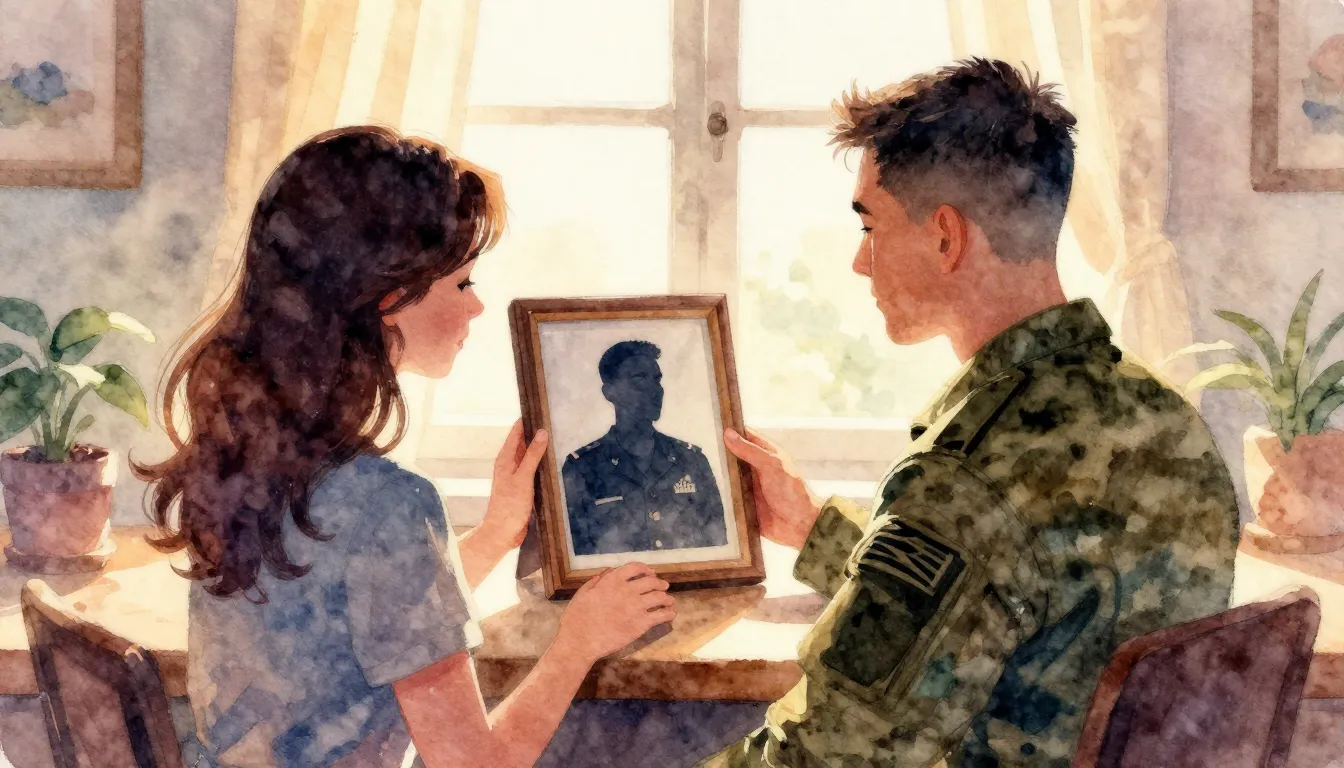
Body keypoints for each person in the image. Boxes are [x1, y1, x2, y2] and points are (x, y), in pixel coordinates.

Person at [700, 59, 1240, 767]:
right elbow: (1004, 600)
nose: (861, 262)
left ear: (946, 237)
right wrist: (813, 530)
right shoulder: (1163, 418)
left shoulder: (967, 478)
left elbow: (823, 757)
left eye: (870, 225)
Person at [134, 126, 675, 768]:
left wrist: (495, 534)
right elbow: (474, 767)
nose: (477, 308)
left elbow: (359, 619)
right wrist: (577, 644)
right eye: (463, 284)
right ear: (390, 298)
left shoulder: (251, 455)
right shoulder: (388, 502)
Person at [562, 340, 727, 555]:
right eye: (639, 378)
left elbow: (719, 546)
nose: (654, 390)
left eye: (657, 380)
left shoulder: (691, 460)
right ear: (610, 392)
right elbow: (575, 555)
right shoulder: (583, 468)